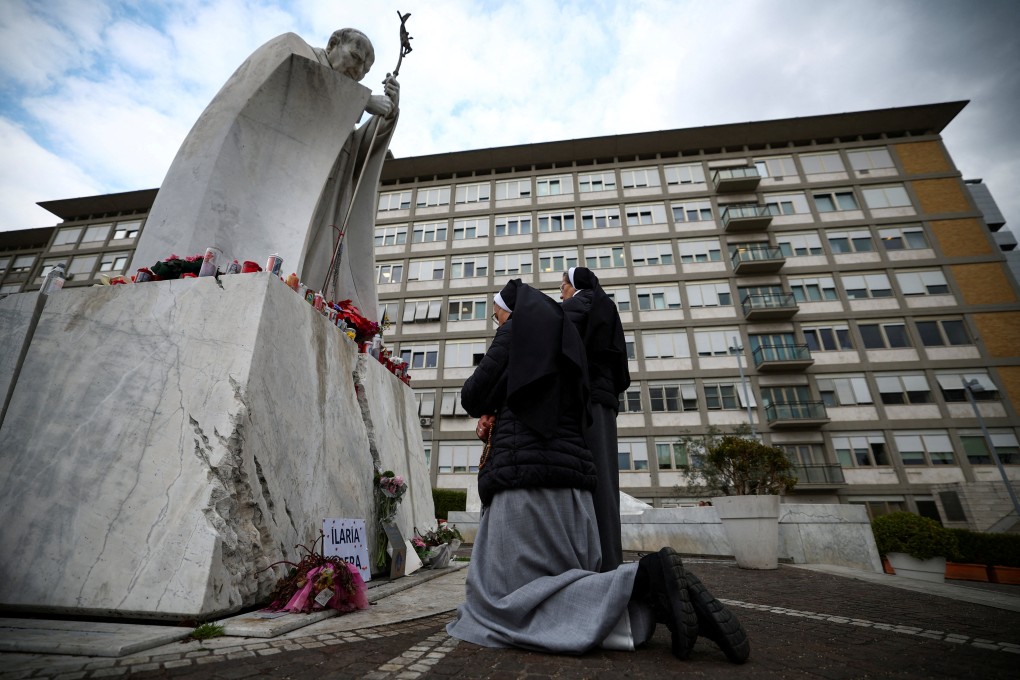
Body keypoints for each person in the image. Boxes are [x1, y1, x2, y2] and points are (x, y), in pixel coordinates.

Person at [447, 280, 750, 664]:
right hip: (576, 495)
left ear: (511, 310)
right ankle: (650, 601)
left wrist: (490, 401)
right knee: (564, 581)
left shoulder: (517, 329)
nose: (498, 324)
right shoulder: (571, 334)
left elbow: (473, 394)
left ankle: (644, 579)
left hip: (525, 490)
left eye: (498, 316)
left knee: (494, 602)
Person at [129, 28, 398, 315]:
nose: (358, 71)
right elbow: (296, 91)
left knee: (309, 263)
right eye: (355, 58)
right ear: (333, 44)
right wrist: (360, 100)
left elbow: (357, 150)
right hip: (268, 191)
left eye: (365, 70)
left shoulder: (345, 105)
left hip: (322, 193)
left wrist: (388, 114)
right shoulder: (295, 51)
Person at [560, 266, 630, 571]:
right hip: (604, 402)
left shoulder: (579, 304)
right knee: (606, 483)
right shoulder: (604, 306)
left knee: (586, 482)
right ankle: (610, 561)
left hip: (584, 403)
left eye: (562, 286)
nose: (560, 293)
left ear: (574, 286)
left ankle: (593, 566)